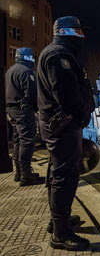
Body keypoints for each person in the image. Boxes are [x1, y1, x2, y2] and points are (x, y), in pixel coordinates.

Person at [37, 16, 94, 251]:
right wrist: (80, 114)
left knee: (59, 173)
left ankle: (58, 220)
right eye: (79, 31)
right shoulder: (58, 55)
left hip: (60, 124)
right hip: (63, 125)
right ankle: (61, 234)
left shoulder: (57, 53)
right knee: (65, 176)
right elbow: (66, 93)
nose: (82, 36)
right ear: (67, 31)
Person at [5, 47, 43, 186]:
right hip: (23, 111)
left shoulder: (10, 71)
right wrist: (38, 109)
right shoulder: (27, 72)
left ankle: (19, 173)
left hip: (12, 110)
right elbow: (32, 95)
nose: (34, 59)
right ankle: (26, 176)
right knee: (27, 141)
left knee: (18, 141)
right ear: (27, 57)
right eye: (32, 56)